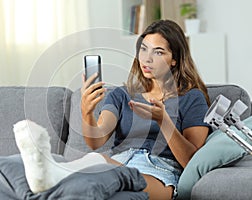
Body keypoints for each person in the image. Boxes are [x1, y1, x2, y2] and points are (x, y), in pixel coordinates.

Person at [14, 19, 210, 200]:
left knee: (99, 168)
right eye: (143, 49)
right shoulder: (121, 95)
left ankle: (52, 171)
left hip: (160, 172)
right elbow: (96, 140)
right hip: (120, 162)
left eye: (158, 52)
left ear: (174, 59)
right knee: (95, 168)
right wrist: (87, 111)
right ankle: (53, 173)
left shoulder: (192, 98)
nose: (147, 59)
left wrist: (164, 121)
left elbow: (191, 162)